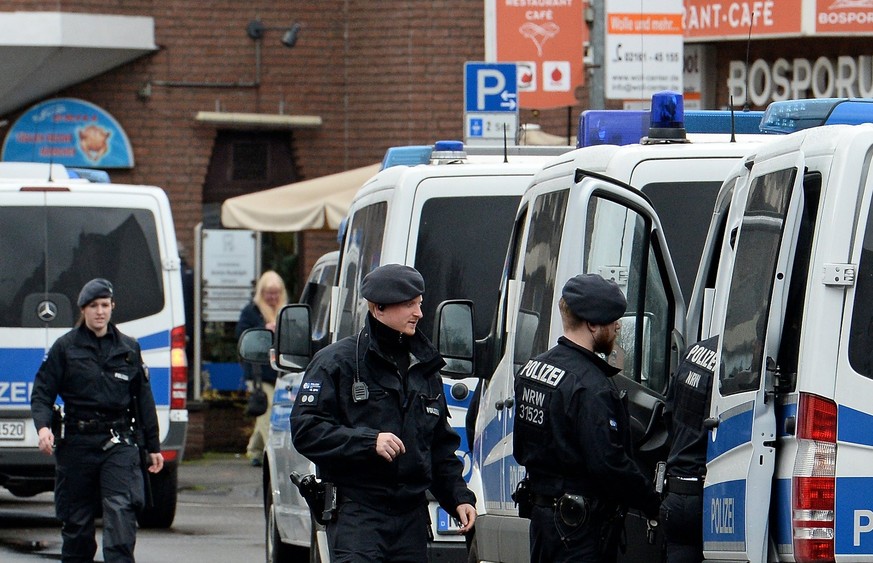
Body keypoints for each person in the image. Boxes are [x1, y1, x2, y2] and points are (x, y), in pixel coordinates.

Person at [290, 264, 477, 562]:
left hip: (411, 520)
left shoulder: (424, 367)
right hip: (358, 517)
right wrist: (368, 442)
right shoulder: (335, 363)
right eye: (408, 305)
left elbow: (439, 447)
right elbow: (307, 431)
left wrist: (458, 498)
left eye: (419, 303)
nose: (419, 313)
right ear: (378, 308)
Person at [513, 273, 661, 563]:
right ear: (593, 324)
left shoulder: (532, 370)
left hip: (543, 520)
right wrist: (652, 501)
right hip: (578, 530)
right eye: (613, 320)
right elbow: (608, 464)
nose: (618, 326)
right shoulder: (591, 386)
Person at [30, 278, 164, 563]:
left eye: (105, 305)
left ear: (112, 307)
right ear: (84, 309)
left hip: (118, 442)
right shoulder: (65, 348)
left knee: (120, 512)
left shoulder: (129, 349)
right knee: (76, 524)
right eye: (94, 306)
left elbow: (143, 399)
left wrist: (153, 446)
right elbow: (42, 393)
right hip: (77, 441)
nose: (100, 312)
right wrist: (43, 428)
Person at [661, 335, 719, 563]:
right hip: (707, 496)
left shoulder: (695, 351)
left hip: (676, 492)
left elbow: (669, 413)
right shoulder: (735, 358)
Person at [236, 270, 288, 466]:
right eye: (269, 293)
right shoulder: (251, 311)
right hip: (258, 373)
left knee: (266, 414)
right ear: (261, 292)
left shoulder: (285, 309)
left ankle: (254, 450)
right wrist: (264, 329)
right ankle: (271, 457)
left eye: (276, 293)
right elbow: (242, 335)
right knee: (268, 415)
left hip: (280, 372)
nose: (273, 298)